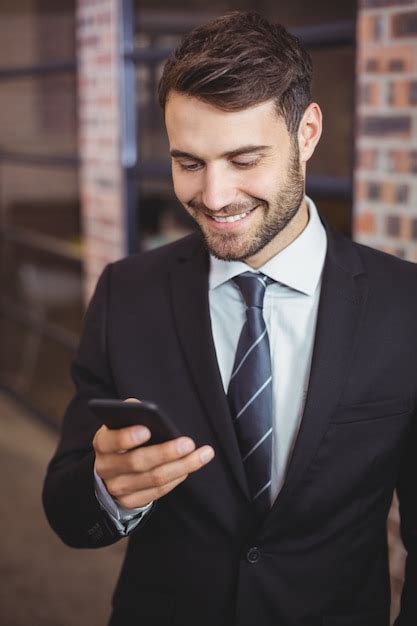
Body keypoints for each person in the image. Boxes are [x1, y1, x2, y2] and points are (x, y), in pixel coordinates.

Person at [42, 11, 417, 626]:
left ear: (307, 133)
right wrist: (107, 489)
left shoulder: (405, 305)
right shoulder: (125, 294)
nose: (213, 197)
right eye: (188, 162)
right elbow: (67, 512)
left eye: (244, 160)